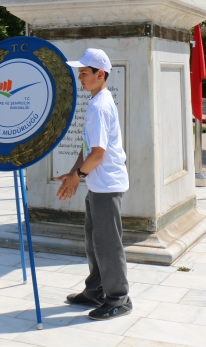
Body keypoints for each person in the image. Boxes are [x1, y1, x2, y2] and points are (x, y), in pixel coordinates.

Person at [55, 48, 132, 320]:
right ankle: (96, 289)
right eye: (80, 73)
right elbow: (90, 148)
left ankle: (118, 298)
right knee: (94, 240)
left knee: (108, 244)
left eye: (84, 73)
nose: (80, 78)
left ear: (100, 74)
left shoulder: (100, 105)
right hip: (98, 184)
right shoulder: (96, 101)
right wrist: (74, 172)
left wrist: (79, 176)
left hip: (106, 185)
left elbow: (98, 154)